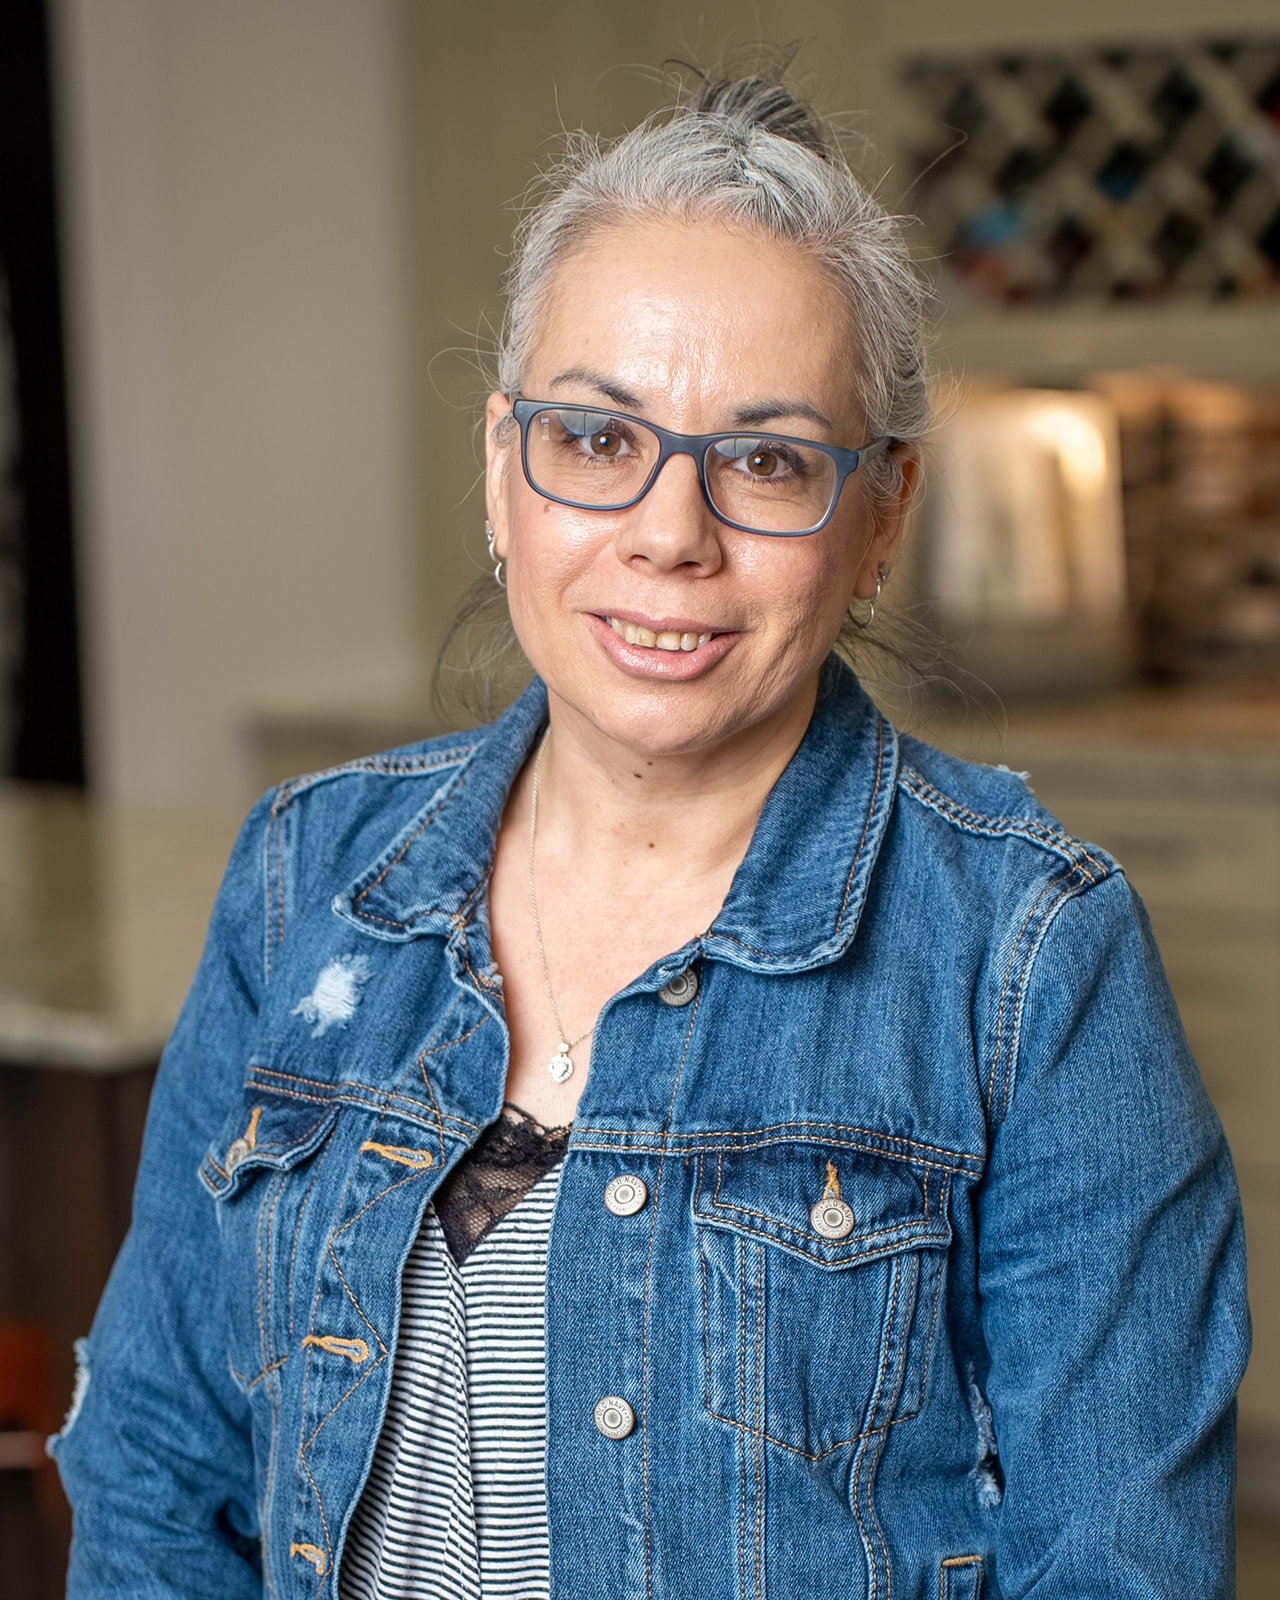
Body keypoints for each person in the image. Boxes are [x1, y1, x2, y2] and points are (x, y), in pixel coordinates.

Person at [54, 67, 1248, 1600]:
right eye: (598, 440)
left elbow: (1118, 1569)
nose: (669, 535)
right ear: (504, 471)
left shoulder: (1028, 958)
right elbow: (162, 1470)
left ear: (881, 517)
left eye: (765, 460)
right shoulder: (308, 878)